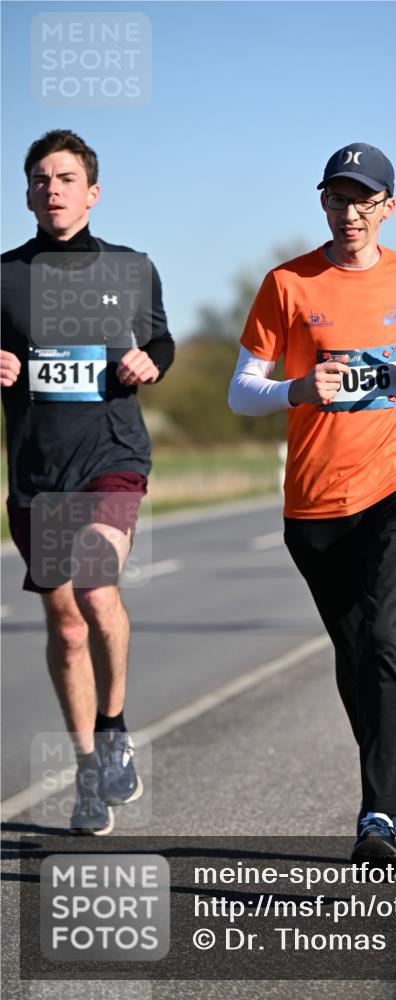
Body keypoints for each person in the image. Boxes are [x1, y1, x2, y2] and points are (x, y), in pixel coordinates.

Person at [228, 142, 396, 864]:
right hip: (315, 506)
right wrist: (296, 390)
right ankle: (379, 784)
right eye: (337, 197)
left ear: (387, 207)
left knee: (389, 638)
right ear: (321, 202)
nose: (350, 211)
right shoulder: (287, 284)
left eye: (364, 199)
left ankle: (380, 818)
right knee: (356, 650)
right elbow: (241, 391)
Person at [1, 130, 175, 834]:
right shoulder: (5, 276)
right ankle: (85, 768)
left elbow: (160, 339)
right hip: (38, 475)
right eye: (40, 179)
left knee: (98, 588)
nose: (53, 189)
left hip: (111, 456)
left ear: (92, 192)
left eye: (66, 178)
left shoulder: (131, 268)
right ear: (27, 193)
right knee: (66, 629)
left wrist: (149, 365)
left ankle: (115, 728)